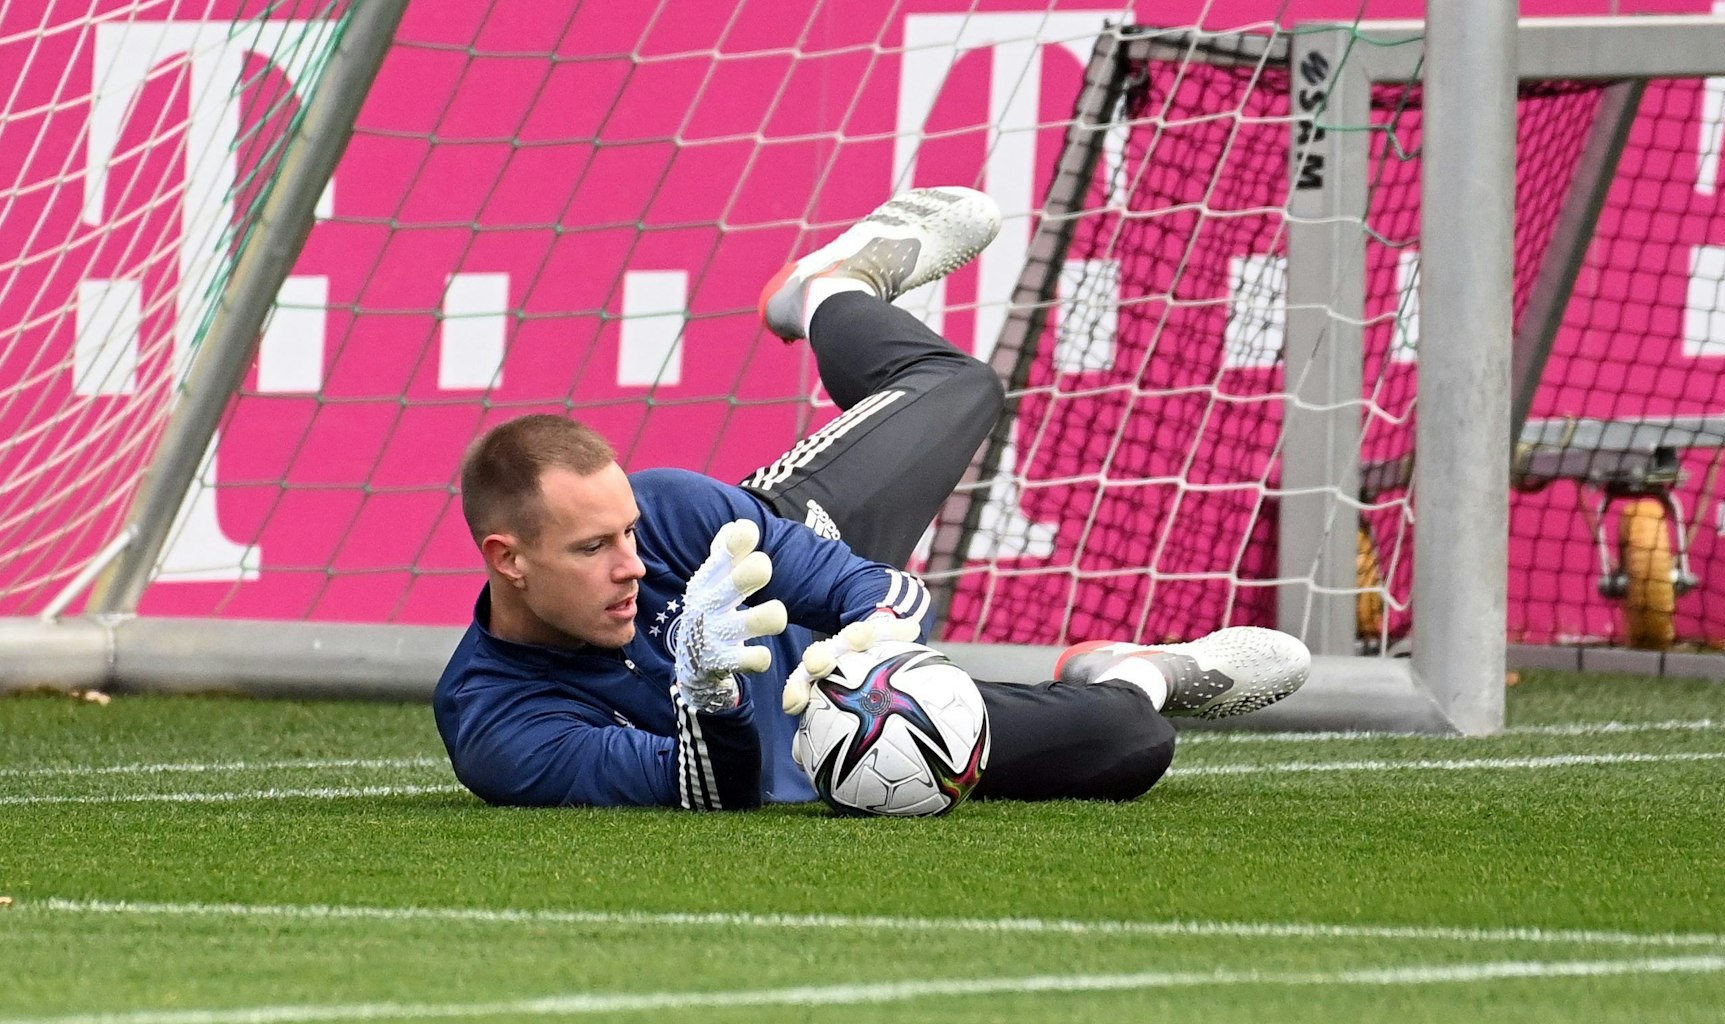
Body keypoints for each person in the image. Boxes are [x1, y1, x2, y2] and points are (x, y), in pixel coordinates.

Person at [433, 186, 1312, 809]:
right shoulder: (496, 724)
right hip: (822, 742)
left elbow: (877, 588)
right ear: (507, 559)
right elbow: (710, 790)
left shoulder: (672, 516)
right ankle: (1132, 667)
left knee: (960, 385)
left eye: (626, 533)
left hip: (800, 565)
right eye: (593, 549)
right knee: (1131, 744)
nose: (632, 563)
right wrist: (714, 695)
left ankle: (824, 291)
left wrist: (872, 646)